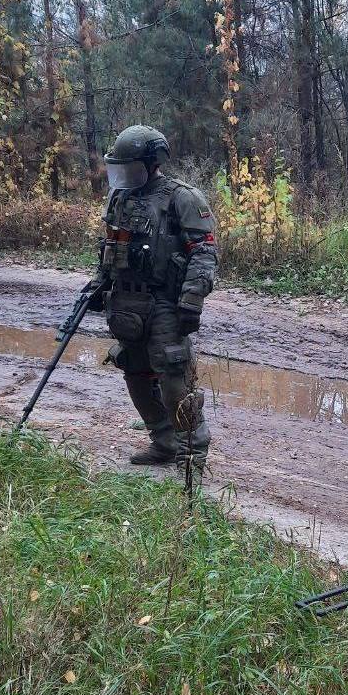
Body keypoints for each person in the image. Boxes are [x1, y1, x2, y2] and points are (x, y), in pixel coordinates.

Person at [90, 125, 217, 478]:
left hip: (164, 302)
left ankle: (192, 455)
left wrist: (192, 299)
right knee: (135, 372)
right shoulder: (119, 197)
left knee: (174, 379)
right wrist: (99, 285)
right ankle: (164, 442)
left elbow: (204, 253)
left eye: (132, 167)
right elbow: (110, 247)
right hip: (126, 302)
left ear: (152, 163)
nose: (125, 174)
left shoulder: (182, 198)